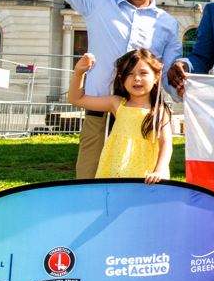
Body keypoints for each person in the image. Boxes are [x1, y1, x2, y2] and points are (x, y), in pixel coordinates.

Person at [42, 0, 180, 178]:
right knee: (89, 182)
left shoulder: (167, 23)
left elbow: (170, 73)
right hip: (100, 113)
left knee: (138, 188)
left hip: (143, 120)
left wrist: (187, 89)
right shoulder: (97, 3)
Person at [67, 49, 172, 183]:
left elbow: (166, 143)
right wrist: (79, 72)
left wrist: (160, 170)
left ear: (156, 76)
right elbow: (76, 99)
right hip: (114, 170)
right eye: (130, 73)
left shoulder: (160, 111)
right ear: (122, 79)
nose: (137, 78)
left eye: (143, 73)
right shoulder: (116, 104)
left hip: (146, 174)